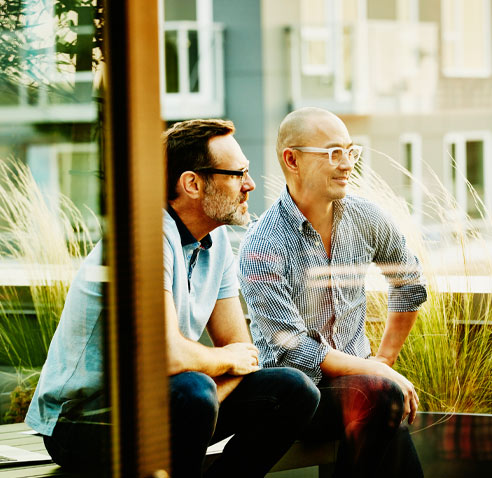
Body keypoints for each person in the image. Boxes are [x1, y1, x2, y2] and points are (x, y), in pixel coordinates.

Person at [26, 118, 320, 478]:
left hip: (162, 403)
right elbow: (164, 355)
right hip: (81, 420)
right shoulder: (145, 235)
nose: (250, 184)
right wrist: (216, 369)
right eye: (237, 174)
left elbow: (243, 355)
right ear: (192, 184)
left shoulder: (217, 241)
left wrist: (210, 392)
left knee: (294, 390)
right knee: (191, 390)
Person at [238, 107, 427, 478]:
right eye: (332, 153)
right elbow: (295, 349)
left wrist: (383, 363)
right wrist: (375, 371)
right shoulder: (262, 244)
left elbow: (409, 281)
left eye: (350, 151)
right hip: (299, 400)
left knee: (380, 399)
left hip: (364, 387)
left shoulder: (365, 217)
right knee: (382, 398)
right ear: (292, 159)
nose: (347, 164)